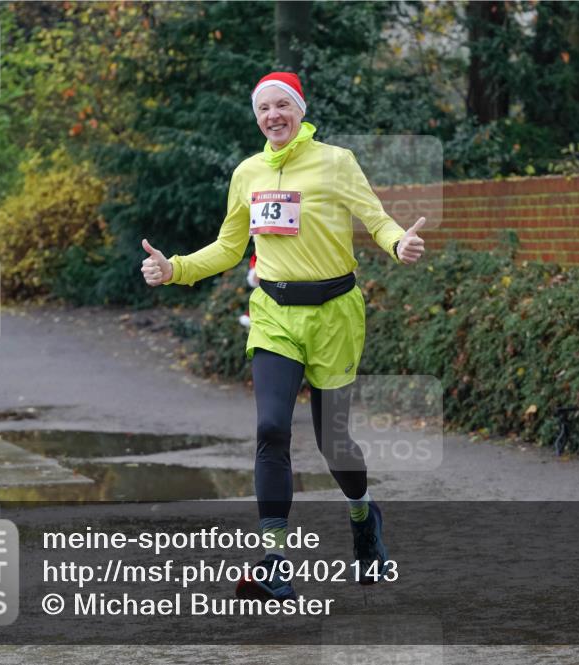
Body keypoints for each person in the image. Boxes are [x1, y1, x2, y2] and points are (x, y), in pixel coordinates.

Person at [141, 72, 426, 602]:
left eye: (282, 106)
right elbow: (229, 248)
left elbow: (377, 218)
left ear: (300, 109)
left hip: (335, 316)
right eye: (263, 108)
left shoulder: (336, 161)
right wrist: (174, 268)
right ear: (257, 117)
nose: (273, 115)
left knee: (332, 442)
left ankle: (364, 517)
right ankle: (274, 561)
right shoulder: (247, 172)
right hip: (273, 314)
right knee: (271, 428)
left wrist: (397, 244)